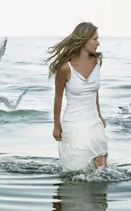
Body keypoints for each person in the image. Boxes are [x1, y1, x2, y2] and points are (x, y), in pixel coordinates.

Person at [45, 22, 108, 171]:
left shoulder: (97, 61)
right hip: (74, 124)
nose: (98, 43)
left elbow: (94, 91)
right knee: (77, 170)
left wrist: (100, 115)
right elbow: (58, 98)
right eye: (95, 39)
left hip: (94, 123)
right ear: (83, 39)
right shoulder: (65, 68)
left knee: (102, 168)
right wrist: (56, 126)